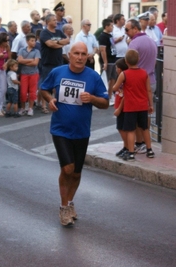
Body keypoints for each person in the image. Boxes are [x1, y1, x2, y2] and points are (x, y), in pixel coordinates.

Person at [40, 42, 109, 226]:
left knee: (77, 173)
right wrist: (50, 99)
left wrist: (92, 98)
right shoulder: (58, 72)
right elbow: (44, 89)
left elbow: (105, 102)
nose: (80, 57)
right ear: (69, 55)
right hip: (60, 129)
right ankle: (63, 207)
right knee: (67, 169)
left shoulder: (93, 77)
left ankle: (70, 202)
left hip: (81, 131)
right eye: (76, 53)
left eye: (83, 54)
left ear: (88, 57)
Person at [112, 49, 154, 161]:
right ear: (138, 59)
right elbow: (148, 90)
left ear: (126, 61)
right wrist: (151, 104)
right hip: (142, 105)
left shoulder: (124, 74)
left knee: (130, 130)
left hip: (130, 106)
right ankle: (149, 150)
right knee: (144, 128)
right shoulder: (144, 73)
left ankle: (131, 152)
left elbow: (115, 88)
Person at [125, 19, 157, 154]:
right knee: (145, 115)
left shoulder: (134, 43)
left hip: (139, 83)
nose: (126, 32)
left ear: (135, 29)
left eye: (127, 30)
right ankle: (145, 142)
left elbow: (129, 64)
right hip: (152, 80)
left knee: (136, 116)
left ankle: (139, 143)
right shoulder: (151, 41)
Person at [39, 14, 69, 84]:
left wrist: (57, 43)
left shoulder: (59, 32)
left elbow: (67, 40)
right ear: (48, 22)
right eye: (54, 20)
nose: (56, 22)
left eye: (56, 20)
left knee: (58, 83)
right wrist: (60, 43)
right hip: (48, 65)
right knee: (46, 85)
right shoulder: (44, 32)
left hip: (59, 63)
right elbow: (50, 44)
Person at [17, 33, 40, 116]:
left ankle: (30, 108)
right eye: (32, 41)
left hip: (34, 74)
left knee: (32, 92)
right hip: (24, 74)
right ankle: (22, 108)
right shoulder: (22, 50)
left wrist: (25, 61)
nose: (34, 42)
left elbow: (35, 63)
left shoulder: (36, 51)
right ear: (27, 41)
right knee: (23, 92)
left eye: (35, 41)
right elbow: (19, 60)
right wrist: (30, 60)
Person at [112, 58, 128, 158]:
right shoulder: (120, 77)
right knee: (121, 128)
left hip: (122, 107)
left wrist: (119, 109)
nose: (116, 69)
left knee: (121, 128)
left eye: (117, 67)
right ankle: (125, 146)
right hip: (119, 105)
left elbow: (125, 95)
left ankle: (127, 146)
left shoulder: (123, 79)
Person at [98, 18, 117, 104]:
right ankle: (102, 96)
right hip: (108, 61)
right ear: (106, 26)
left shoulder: (110, 35)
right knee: (106, 79)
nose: (113, 27)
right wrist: (105, 62)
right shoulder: (103, 36)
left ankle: (109, 96)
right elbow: (102, 50)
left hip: (113, 60)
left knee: (113, 78)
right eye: (111, 26)